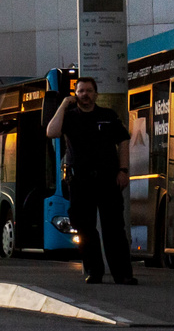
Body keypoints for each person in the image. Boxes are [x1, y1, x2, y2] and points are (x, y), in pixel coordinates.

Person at [46, 76, 138, 285]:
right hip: (80, 181)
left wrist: (123, 170)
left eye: (89, 91)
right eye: (80, 91)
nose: (85, 95)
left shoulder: (108, 116)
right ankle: (94, 271)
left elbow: (123, 141)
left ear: (96, 94)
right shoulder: (69, 117)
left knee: (114, 228)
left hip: (108, 180)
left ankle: (123, 274)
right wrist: (63, 104)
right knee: (85, 229)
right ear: (75, 95)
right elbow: (52, 132)